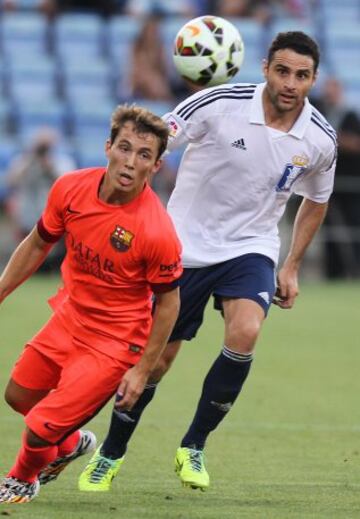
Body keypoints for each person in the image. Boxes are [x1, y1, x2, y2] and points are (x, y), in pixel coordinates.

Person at [78, 31, 337, 492]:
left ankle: (193, 445)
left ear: (313, 79)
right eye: (282, 71)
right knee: (156, 362)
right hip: (183, 247)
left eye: (302, 75)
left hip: (251, 246)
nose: (290, 83)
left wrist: (292, 264)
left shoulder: (319, 139)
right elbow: (155, 141)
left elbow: (317, 199)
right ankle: (111, 453)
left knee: (247, 331)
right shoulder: (219, 102)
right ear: (264, 69)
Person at [0, 105, 182, 504]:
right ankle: (71, 445)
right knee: (18, 397)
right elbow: (36, 243)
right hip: (69, 317)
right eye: (125, 148)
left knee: (38, 427)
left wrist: (141, 370)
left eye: (144, 155)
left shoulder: (156, 230)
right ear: (107, 147)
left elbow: (169, 304)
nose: (131, 162)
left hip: (114, 343)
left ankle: (20, 479)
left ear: (155, 166)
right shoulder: (70, 188)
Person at [6, 128, 76, 272]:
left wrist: (49, 166)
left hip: (51, 213)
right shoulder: (24, 161)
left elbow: (70, 185)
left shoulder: (60, 161)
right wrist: (30, 159)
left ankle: (52, 266)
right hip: (27, 211)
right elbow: (11, 181)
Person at [311, 77, 360, 278]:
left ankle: (356, 269)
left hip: (348, 180)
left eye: (333, 90)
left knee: (353, 225)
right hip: (326, 181)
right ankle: (334, 272)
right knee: (327, 227)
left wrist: (338, 139)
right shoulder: (320, 113)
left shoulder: (349, 115)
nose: (329, 94)